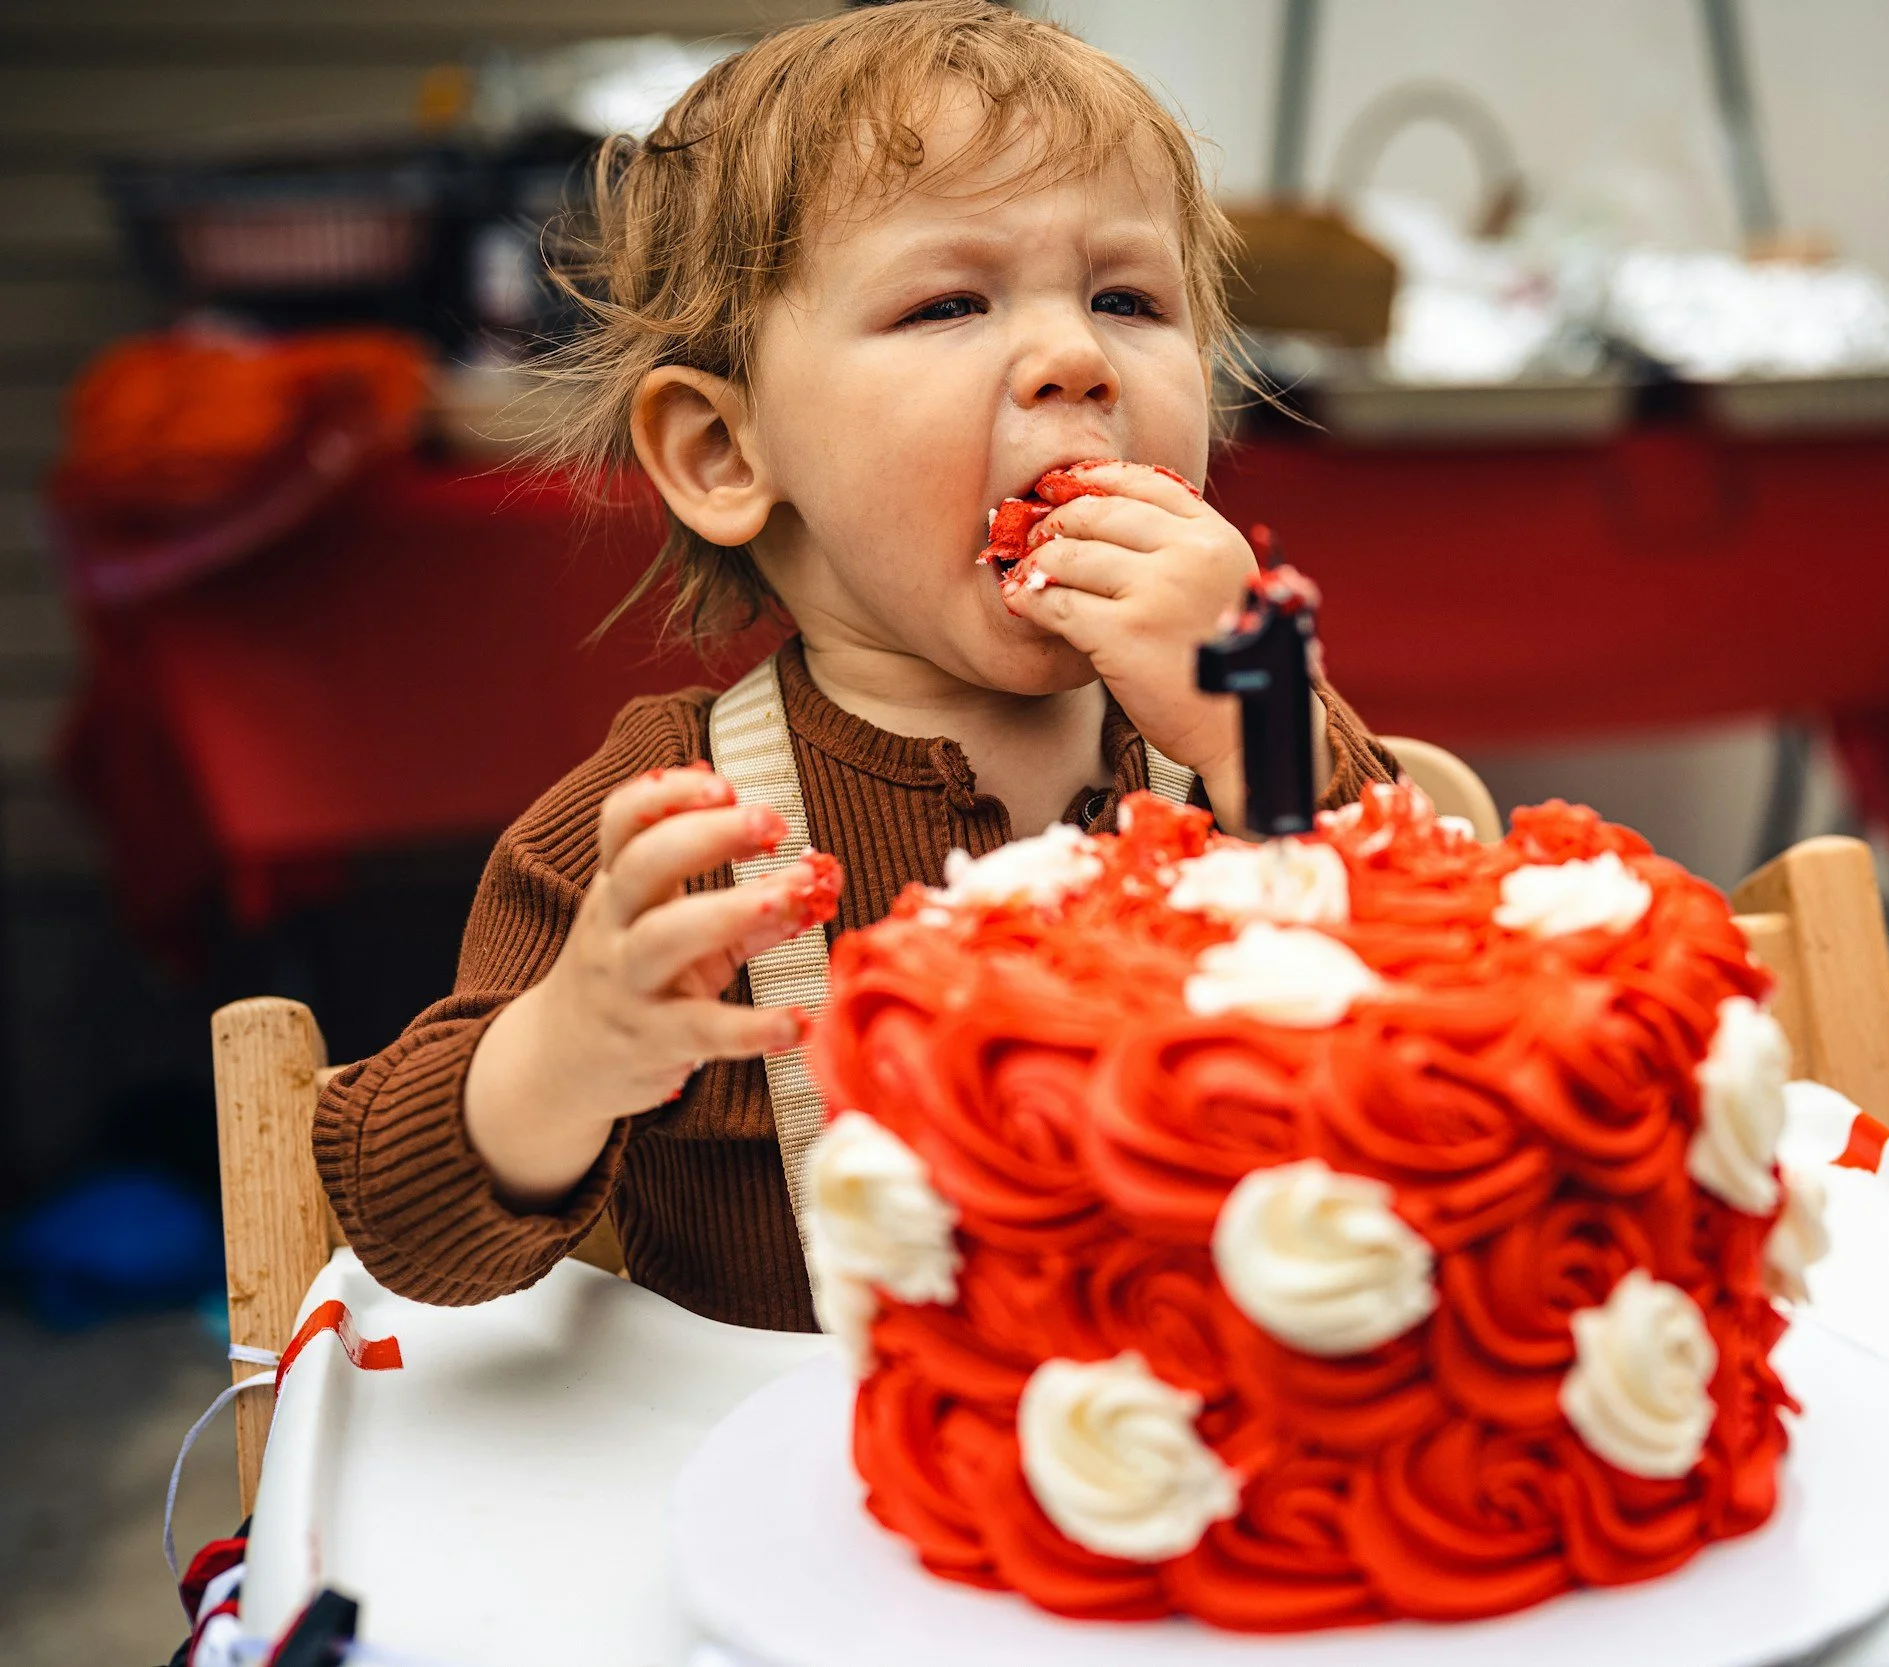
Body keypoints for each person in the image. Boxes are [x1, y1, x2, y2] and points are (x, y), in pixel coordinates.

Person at [315, 2, 1402, 1332]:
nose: (1076, 358)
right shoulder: (677, 827)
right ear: (723, 454)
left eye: (1129, 299)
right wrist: (564, 1055)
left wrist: (1263, 739)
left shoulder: (1256, 727)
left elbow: (1430, 1035)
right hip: (798, 1493)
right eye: (949, 301)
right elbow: (406, 1234)